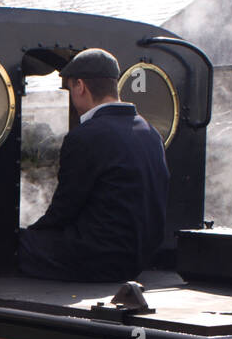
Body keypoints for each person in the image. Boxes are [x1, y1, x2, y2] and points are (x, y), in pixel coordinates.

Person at [16, 48, 169, 282]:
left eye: (69, 89)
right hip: (142, 256)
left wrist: (33, 233)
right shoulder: (150, 132)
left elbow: (64, 209)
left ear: (80, 86)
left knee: (12, 243)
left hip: (99, 258)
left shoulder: (86, 136)